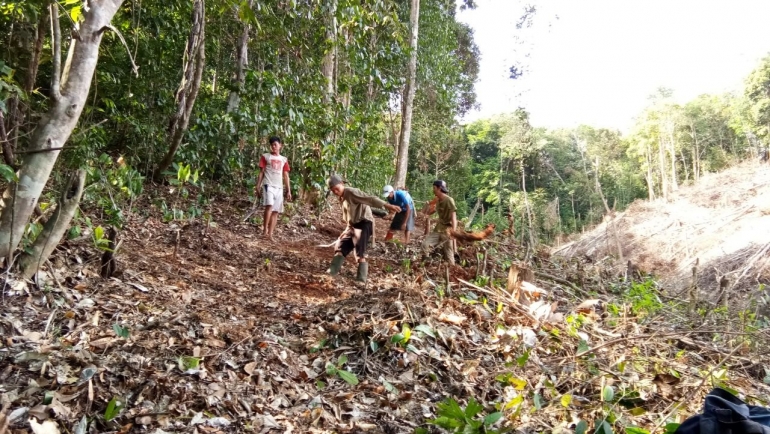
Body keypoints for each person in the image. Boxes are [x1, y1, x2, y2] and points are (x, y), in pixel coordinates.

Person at [327, 175, 401, 284]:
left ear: (342, 184)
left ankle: (361, 279)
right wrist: (345, 231)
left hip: (364, 223)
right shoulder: (341, 198)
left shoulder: (351, 192)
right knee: (341, 246)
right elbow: (349, 217)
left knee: (359, 251)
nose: (335, 192)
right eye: (333, 191)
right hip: (353, 225)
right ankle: (331, 272)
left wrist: (387, 206)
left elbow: (369, 199)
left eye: (337, 189)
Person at [256, 136, 292, 240]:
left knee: (276, 211)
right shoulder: (265, 157)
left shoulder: (283, 159)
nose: (274, 147)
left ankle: (271, 234)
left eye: (275, 144)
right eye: (272, 145)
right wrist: (258, 186)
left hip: (279, 187)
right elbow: (261, 173)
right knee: (269, 206)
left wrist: (288, 190)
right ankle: (264, 231)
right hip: (268, 184)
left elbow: (286, 176)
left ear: (280, 145)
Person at [422, 180, 457, 265]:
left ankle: (451, 270)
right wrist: (427, 212)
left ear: (439, 188)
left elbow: (454, 218)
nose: (433, 190)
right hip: (438, 228)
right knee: (425, 244)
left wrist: (453, 232)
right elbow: (433, 210)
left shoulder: (449, 200)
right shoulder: (437, 199)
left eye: (434, 188)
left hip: (447, 230)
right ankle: (426, 264)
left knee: (449, 254)